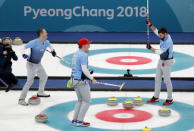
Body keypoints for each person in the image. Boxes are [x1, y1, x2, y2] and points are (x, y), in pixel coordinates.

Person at [18, 28, 57, 106]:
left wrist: (53, 51)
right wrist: (23, 54)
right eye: (45, 32)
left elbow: (50, 46)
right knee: (30, 81)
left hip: (38, 64)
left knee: (44, 77)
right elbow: (23, 48)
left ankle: (40, 92)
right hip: (31, 64)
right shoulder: (34, 42)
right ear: (41, 34)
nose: (47, 33)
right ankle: (21, 99)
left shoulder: (46, 42)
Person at [146, 20, 174, 105]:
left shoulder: (168, 41)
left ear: (165, 34)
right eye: (159, 35)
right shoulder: (162, 35)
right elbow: (156, 31)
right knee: (157, 79)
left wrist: (150, 48)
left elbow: (159, 52)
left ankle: (170, 99)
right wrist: (151, 25)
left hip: (167, 62)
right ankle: (156, 97)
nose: (159, 36)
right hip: (161, 60)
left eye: (161, 35)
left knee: (167, 81)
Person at [70, 38, 97, 127]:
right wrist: (92, 78)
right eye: (88, 44)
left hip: (73, 80)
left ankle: (75, 120)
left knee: (80, 101)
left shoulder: (76, 54)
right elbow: (84, 69)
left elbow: (81, 69)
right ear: (84, 46)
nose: (89, 46)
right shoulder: (83, 55)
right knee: (87, 101)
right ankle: (80, 121)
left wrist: (88, 73)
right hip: (80, 81)